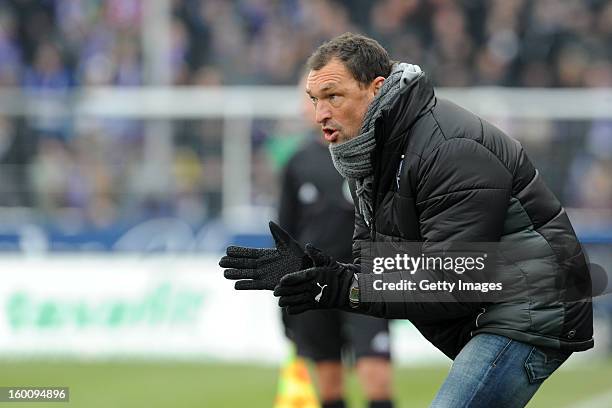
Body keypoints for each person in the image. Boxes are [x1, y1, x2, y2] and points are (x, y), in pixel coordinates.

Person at [220, 33, 594, 407]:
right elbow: (385, 268)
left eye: (333, 96)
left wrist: (343, 287)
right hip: (494, 308)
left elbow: (456, 278)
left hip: (531, 306)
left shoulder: (448, 148)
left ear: (376, 89)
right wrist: (323, 272)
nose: (320, 114)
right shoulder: (370, 153)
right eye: (314, 100)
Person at [278, 74, 394, 408]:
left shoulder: (370, 151)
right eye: (310, 98)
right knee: (329, 387)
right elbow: (286, 232)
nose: (318, 107)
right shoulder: (297, 162)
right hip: (314, 285)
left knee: (377, 378)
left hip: (365, 280)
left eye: (326, 96)